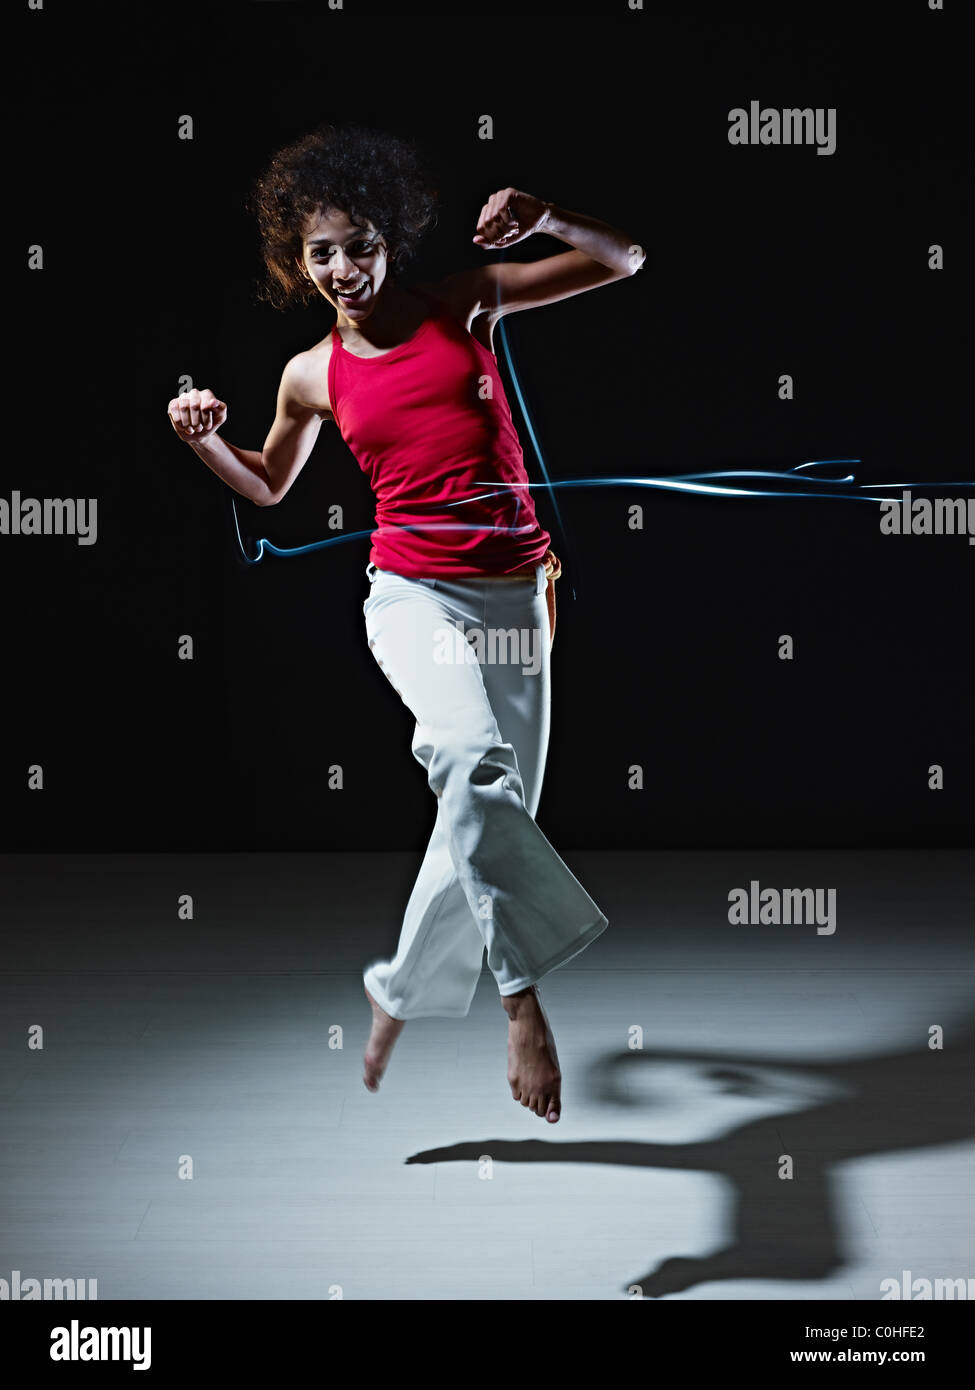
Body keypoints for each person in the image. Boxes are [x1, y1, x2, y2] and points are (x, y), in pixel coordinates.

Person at [166, 123, 644, 1123]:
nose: (343, 268)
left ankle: (394, 992)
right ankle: (523, 1004)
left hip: (518, 591)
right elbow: (265, 484)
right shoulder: (311, 375)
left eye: (359, 244)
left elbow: (624, 259)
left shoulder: (463, 302)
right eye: (321, 252)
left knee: (479, 817)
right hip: (410, 592)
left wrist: (543, 215)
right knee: (469, 765)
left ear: (393, 238)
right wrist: (206, 442)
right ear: (299, 262)